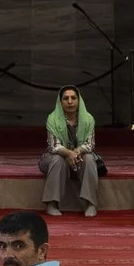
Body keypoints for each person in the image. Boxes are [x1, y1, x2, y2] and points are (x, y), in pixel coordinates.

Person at [40, 85, 99, 218]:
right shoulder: (53, 119)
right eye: (66, 98)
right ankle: (52, 203)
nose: (70, 102)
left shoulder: (88, 119)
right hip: (58, 157)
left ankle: (90, 203)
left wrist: (77, 151)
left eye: (73, 98)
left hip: (80, 157)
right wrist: (68, 153)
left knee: (89, 158)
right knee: (57, 159)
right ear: (60, 102)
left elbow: (90, 144)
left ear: (79, 100)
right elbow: (54, 146)